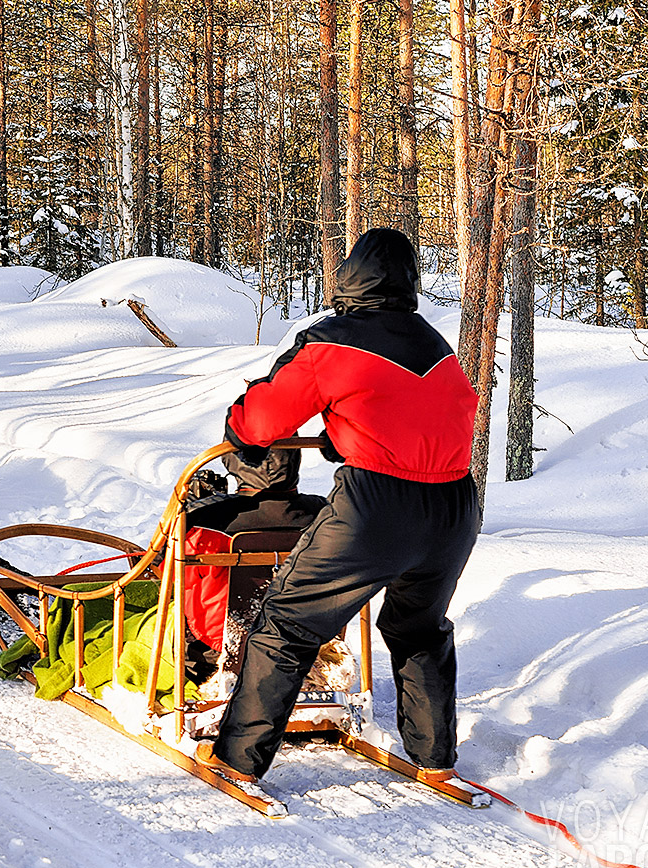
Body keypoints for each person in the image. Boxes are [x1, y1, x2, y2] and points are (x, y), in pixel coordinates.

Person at [196, 227, 481, 785]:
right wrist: (344, 432)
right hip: (454, 509)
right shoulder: (436, 346)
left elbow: (262, 419)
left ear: (349, 277)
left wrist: (241, 431)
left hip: (376, 507)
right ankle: (435, 760)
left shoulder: (331, 340)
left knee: (286, 622)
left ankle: (237, 760)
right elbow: (421, 416)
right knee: (418, 629)